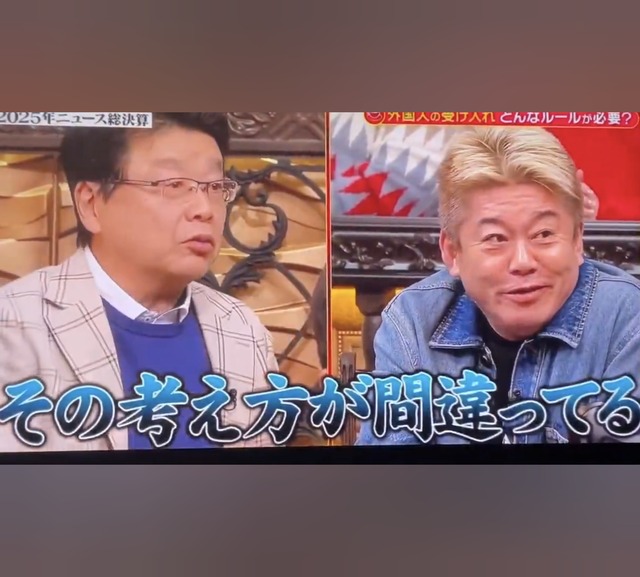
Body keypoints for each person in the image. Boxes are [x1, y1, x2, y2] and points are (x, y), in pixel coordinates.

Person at [0, 113, 278, 452]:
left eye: (215, 187)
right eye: (173, 185)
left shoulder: (241, 329)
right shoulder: (15, 326)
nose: (204, 209)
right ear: (91, 204)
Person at [357, 126, 640, 445]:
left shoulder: (626, 320)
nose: (523, 261)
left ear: (577, 241)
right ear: (452, 252)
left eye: (544, 234)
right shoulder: (414, 321)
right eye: (495, 238)